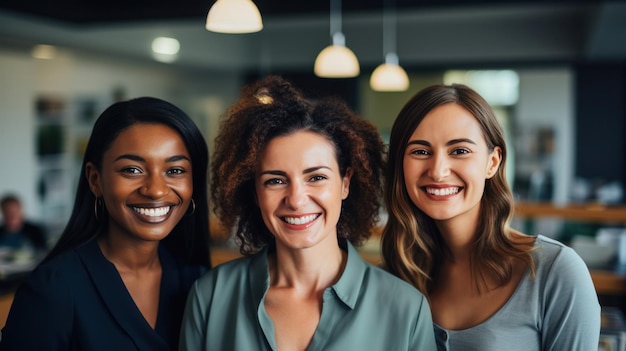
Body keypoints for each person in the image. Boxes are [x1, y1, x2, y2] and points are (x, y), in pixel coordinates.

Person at [179, 75, 437, 350]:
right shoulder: (211, 296)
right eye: (275, 181)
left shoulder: (405, 308)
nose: (297, 199)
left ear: (345, 183)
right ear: (255, 192)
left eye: (316, 178)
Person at [380, 83, 601, 351]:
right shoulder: (396, 272)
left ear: (492, 162)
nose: (437, 171)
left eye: (459, 151)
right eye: (420, 151)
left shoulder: (556, 272)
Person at [0, 97, 212, 351]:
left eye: (175, 171)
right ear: (95, 179)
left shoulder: (195, 278)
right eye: (132, 170)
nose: (156, 191)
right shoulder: (54, 288)